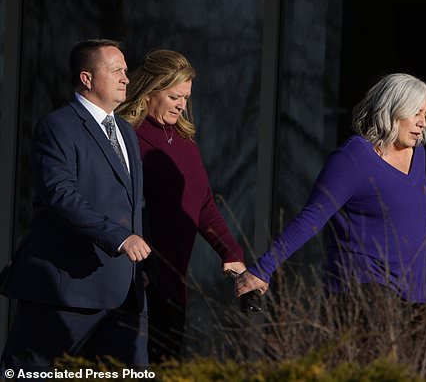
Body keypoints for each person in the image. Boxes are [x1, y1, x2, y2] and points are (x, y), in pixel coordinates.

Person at [0, 39, 151, 370]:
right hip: (66, 289)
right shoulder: (57, 127)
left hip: (124, 291)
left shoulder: (125, 131)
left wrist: (138, 266)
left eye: (126, 70)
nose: (126, 78)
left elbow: (132, 203)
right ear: (87, 78)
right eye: (116, 71)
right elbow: (61, 195)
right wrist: (120, 238)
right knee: (27, 374)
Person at [236, 73, 426, 306]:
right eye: (416, 112)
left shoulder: (418, 157)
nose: (422, 122)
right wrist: (263, 268)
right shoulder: (355, 157)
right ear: (393, 109)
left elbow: (412, 229)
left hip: (411, 294)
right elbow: (313, 217)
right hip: (363, 287)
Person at [116, 49, 246, 362]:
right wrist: (138, 268)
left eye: (186, 97)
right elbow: (114, 207)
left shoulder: (184, 141)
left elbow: (202, 204)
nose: (182, 105)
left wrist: (231, 252)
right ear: (150, 92)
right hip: (136, 284)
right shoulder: (126, 136)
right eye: (175, 96)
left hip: (174, 286)